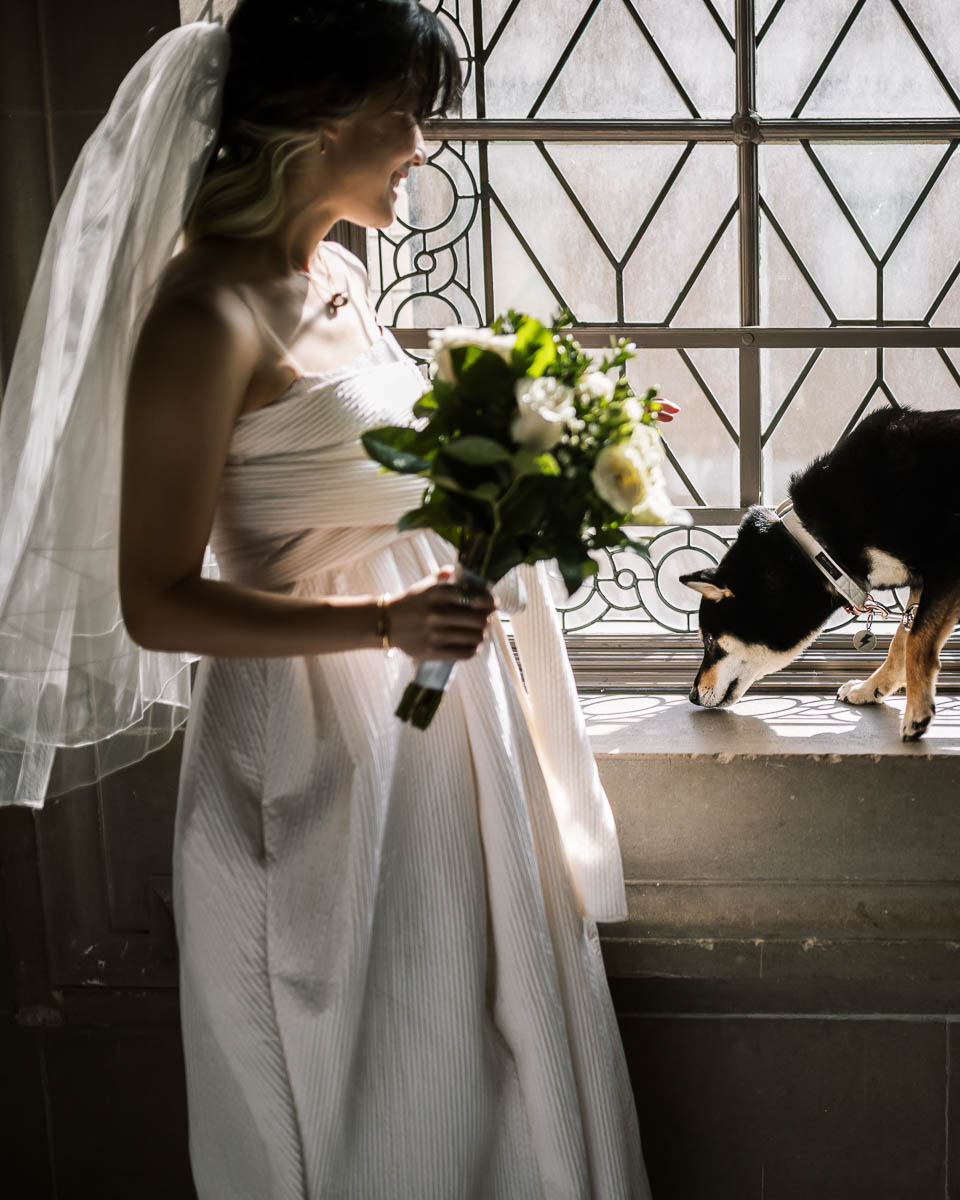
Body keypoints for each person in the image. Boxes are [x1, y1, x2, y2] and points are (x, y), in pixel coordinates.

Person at [0, 2, 651, 1195]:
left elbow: (364, 486)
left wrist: (496, 443)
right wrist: (383, 626)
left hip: (442, 750)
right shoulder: (204, 320)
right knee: (362, 1102)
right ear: (309, 122)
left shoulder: (343, 275)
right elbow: (154, 603)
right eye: (406, 112)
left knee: (490, 1076)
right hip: (310, 763)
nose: (424, 144)